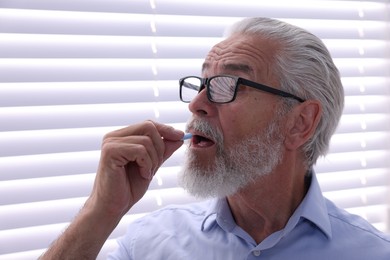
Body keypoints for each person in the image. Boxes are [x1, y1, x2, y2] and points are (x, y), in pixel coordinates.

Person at [40, 17, 390, 259]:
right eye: (202, 83)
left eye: (228, 85)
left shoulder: (374, 253)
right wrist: (100, 211)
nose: (196, 104)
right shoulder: (149, 244)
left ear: (300, 122)